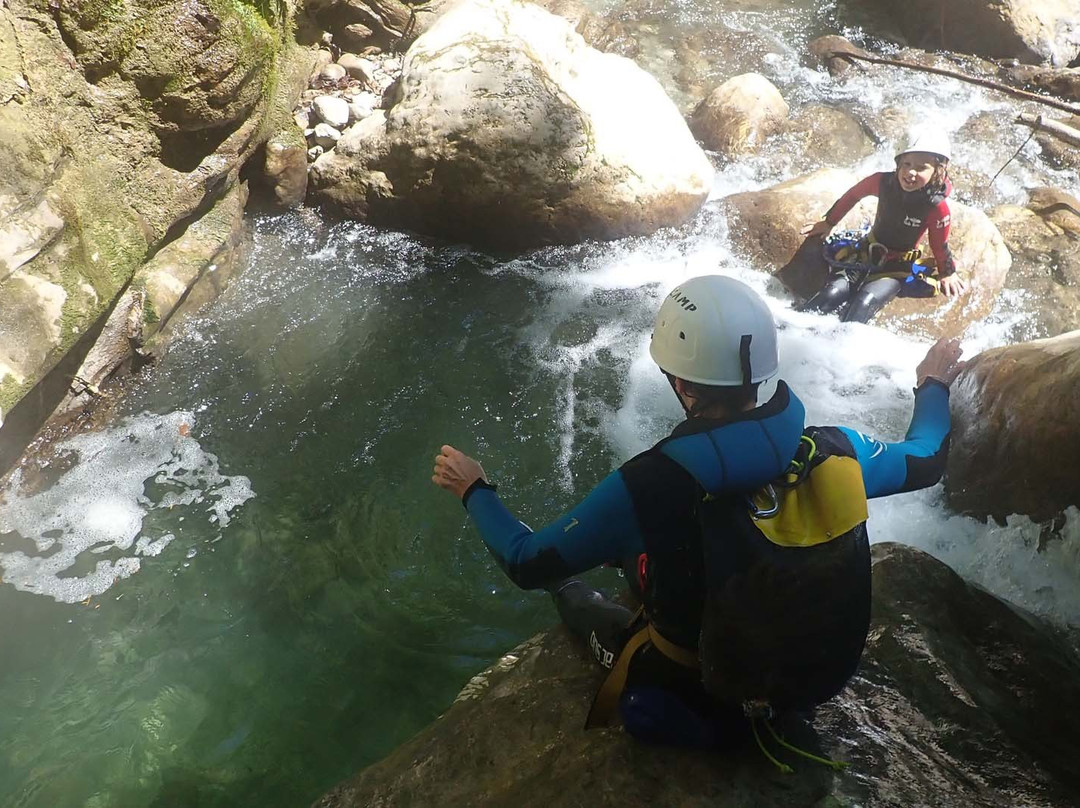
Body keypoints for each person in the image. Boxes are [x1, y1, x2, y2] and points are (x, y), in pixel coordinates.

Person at [432, 275, 965, 763]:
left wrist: (473, 489)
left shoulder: (654, 484)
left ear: (681, 383)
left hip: (705, 689)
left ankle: (711, 725)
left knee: (577, 597)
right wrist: (933, 382)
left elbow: (527, 563)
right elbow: (926, 458)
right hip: (817, 681)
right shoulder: (836, 449)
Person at [799, 127, 968, 323]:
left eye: (921, 168)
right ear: (898, 162)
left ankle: (835, 348)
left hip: (896, 268)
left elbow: (940, 244)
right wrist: (828, 222)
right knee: (832, 294)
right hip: (863, 254)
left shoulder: (936, 207)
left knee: (863, 304)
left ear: (938, 170)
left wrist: (948, 273)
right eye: (906, 164)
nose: (911, 172)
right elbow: (853, 195)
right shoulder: (882, 182)